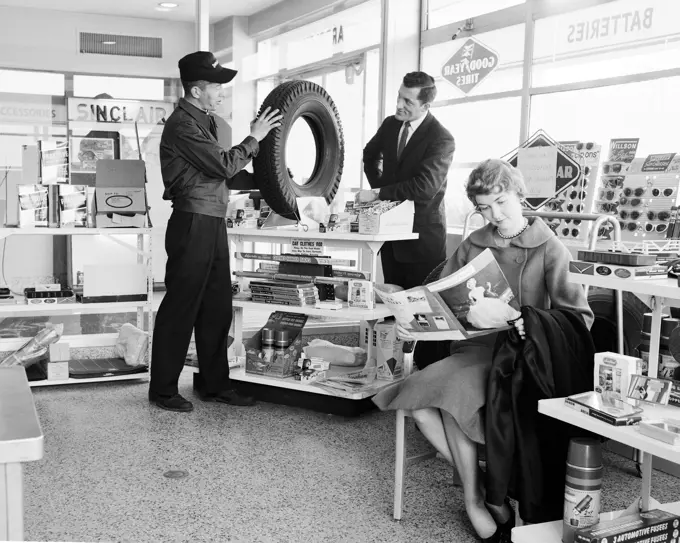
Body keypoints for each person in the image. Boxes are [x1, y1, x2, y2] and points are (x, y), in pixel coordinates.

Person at [372, 159, 593, 542]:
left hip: (523, 357)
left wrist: (527, 320)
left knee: (451, 401)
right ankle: (486, 490)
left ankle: (479, 500)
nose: (495, 215)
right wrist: (413, 318)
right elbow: (440, 298)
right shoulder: (474, 242)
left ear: (521, 196)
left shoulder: (551, 247)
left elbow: (579, 319)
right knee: (418, 405)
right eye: (485, 208)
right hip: (472, 350)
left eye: (502, 203)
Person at [149, 51, 282, 412]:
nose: (222, 92)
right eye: (216, 86)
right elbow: (223, 164)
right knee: (181, 307)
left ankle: (213, 384)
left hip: (212, 221)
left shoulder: (205, 121)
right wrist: (253, 138)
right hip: (192, 222)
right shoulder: (183, 125)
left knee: (216, 307)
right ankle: (162, 390)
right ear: (195, 91)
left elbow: (225, 173)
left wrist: (273, 181)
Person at [360, 71, 455, 289]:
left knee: (421, 312)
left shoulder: (441, 138)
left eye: (407, 101)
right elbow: (369, 155)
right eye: (399, 97)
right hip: (391, 236)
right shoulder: (390, 125)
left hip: (421, 242)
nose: (398, 105)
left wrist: (378, 194)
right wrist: (380, 186)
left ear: (425, 106)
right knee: (391, 306)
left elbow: (425, 187)